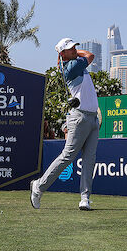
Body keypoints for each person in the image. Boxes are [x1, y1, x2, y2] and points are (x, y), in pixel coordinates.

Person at [30, 38, 98, 211]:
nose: (74, 49)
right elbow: (90, 55)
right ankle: (39, 186)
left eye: (75, 46)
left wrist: (71, 54)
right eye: (70, 48)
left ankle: (85, 198)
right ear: (62, 53)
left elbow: (87, 56)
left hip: (92, 118)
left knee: (89, 160)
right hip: (80, 117)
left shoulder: (74, 62)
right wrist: (75, 55)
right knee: (67, 156)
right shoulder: (72, 66)